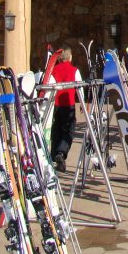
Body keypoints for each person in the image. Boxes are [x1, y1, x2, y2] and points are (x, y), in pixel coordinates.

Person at [50, 44, 82, 172]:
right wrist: (82, 102)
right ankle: (61, 152)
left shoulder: (54, 70)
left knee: (57, 129)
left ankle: (56, 156)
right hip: (68, 104)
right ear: (70, 57)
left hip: (56, 105)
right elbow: (79, 87)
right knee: (69, 130)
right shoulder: (74, 70)